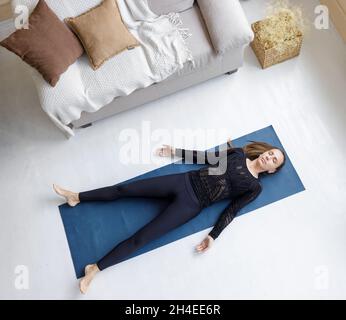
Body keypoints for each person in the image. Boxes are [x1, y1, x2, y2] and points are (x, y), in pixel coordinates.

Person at [53, 140, 285, 294]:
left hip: (191, 205)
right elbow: (208, 159)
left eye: (274, 160)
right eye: (271, 153)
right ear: (265, 151)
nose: (269, 157)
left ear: (272, 170)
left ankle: (94, 269)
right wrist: (176, 151)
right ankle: (76, 196)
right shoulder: (238, 153)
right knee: (124, 190)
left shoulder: (254, 187)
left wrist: (213, 236)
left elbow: (232, 210)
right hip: (182, 182)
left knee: (142, 238)